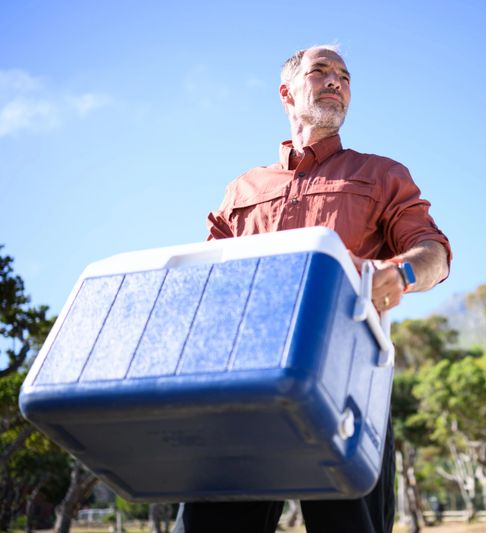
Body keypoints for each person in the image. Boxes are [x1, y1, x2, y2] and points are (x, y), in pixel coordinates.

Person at [172, 45, 451, 533]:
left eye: (344, 75)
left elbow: (433, 251)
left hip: (348, 383)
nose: (335, 82)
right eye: (319, 71)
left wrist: (402, 274)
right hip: (242, 383)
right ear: (286, 92)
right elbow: (205, 280)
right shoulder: (242, 189)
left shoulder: (382, 174)